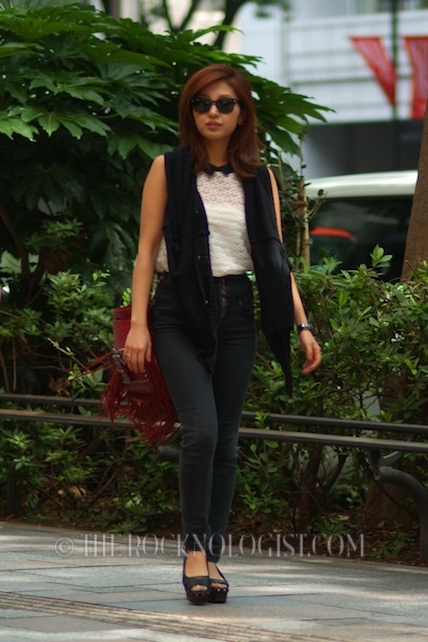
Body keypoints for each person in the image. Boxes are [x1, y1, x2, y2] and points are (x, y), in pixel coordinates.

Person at [123, 64, 321, 605]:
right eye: (202, 103)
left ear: (241, 114)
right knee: (202, 434)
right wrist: (138, 324)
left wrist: (302, 323)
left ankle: (212, 555)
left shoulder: (260, 177)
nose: (212, 112)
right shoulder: (167, 169)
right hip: (177, 312)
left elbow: (274, 258)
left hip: (236, 311)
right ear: (190, 111)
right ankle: (194, 550)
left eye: (225, 104)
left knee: (227, 442)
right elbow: (145, 252)